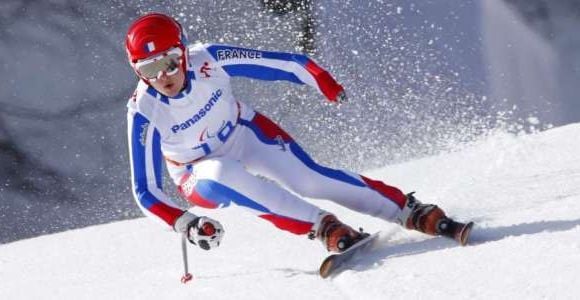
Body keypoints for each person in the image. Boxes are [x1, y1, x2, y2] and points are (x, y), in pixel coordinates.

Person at [125, 12, 464, 253]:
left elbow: (284, 63)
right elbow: (146, 190)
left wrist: (323, 81)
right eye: (148, 69)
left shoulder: (208, 59)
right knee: (220, 173)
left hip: (242, 131)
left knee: (308, 179)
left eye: (169, 62)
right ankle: (323, 227)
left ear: (183, 52)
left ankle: (408, 209)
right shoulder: (145, 110)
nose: (163, 76)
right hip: (195, 171)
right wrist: (186, 222)